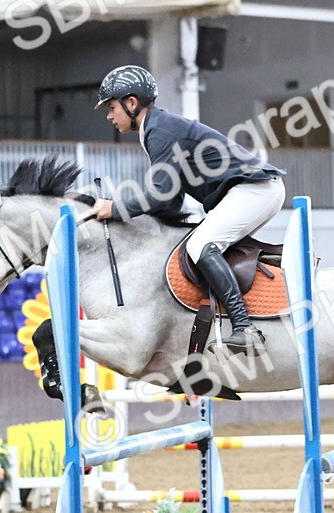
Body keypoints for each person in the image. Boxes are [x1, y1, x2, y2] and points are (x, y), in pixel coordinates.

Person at [91, 65, 286, 357]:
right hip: (252, 190)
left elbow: (160, 195)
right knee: (199, 243)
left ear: (131, 103)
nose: (109, 116)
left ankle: (245, 328)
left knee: (201, 245)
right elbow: (171, 201)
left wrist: (115, 208)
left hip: (254, 190)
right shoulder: (157, 128)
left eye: (111, 107)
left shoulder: (158, 131)